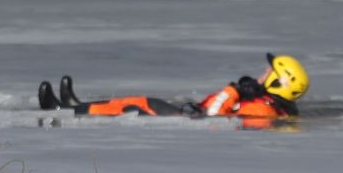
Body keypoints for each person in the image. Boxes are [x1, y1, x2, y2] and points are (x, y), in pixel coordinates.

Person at [38, 53, 309, 120]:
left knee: (134, 107)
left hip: (189, 119)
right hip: (187, 113)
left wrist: (234, 90)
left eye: (269, 72)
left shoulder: (265, 111)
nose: (263, 74)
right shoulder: (268, 103)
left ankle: (65, 111)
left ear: (279, 80)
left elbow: (214, 117)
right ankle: (74, 105)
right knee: (138, 100)